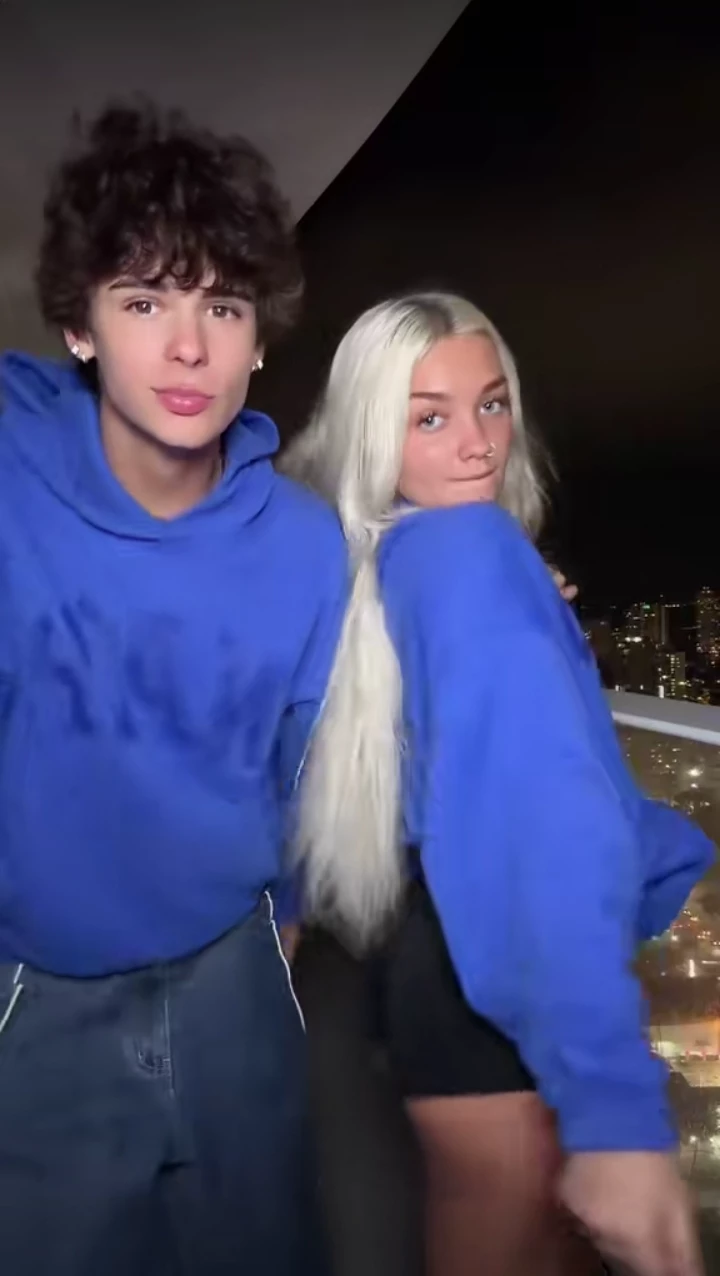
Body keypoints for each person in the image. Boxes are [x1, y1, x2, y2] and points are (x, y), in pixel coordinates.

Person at [281, 292, 712, 1276]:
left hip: (378, 955)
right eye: (428, 417)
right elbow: (543, 820)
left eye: (492, 403)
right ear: (370, 431)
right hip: (483, 964)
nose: (477, 443)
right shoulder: (471, 553)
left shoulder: (361, 562)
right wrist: (614, 1116)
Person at [0, 101, 347, 1276]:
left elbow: (309, 763)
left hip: (232, 983)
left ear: (259, 341)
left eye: (224, 307)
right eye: (146, 301)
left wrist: (280, 930)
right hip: (38, 996)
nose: (189, 348)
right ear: (81, 325)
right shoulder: (11, 492)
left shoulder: (302, 543)